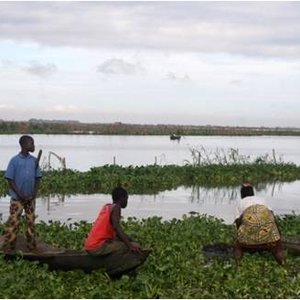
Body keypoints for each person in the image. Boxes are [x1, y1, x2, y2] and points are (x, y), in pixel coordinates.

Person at [1, 135, 42, 252]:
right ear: (24, 145)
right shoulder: (14, 161)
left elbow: (38, 177)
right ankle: (10, 247)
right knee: (14, 222)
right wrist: (20, 194)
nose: (33, 146)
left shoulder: (34, 161)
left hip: (30, 199)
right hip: (17, 199)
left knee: (30, 223)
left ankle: (31, 247)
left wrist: (34, 193)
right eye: (31, 144)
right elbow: (10, 179)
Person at [233, 183, 284, 265]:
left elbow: (238, 223)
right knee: (278, 247)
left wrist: (242, 235)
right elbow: (272, 216)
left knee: (237, 246)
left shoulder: (240, 202)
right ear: (253, 193)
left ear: (242, 194)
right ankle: (282, 263)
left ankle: (237, 265)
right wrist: (278, 235)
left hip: (248, 243)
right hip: (270, 240)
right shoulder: (262, 200)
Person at [84, 186, 143, 256]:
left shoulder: (107, 207)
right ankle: (118, 265)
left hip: (90, 246)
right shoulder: (116, 207)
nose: (127, 201)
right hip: (97, 247)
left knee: (127, 243)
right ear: (121, 198)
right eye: (126, 198)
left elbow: (117, 234)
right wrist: (130, 246)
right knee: (136, 246)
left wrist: (129, 240)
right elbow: (117, 227)